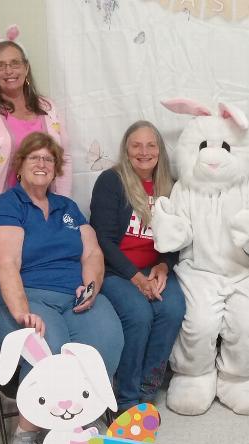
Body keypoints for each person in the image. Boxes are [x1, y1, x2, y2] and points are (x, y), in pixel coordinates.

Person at [0, 132, 123, 444]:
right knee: (49, 350)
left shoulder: (67, 207)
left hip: (72, 296)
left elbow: (92, 254)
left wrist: (90, 289)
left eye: (48, 159)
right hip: (23, 294)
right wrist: (22, 312)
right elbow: (4, 264)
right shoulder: (7, 204)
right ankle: (28, 429)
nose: (42, 164)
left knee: (106, 338)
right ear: (19, 164)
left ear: (56, 168)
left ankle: (87, 416)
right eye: (34, 157)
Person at [89, 121, 186, 414]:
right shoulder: (111, 181)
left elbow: (179, 237)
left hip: (154, 268)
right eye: (136, 145)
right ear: (126, 150)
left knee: (173, 309)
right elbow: (102, 239)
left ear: (160, 150)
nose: (144, 152)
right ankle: (126, 398)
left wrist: (163, 267)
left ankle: (147, 388)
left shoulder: (171, 186)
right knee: (139, 314)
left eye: (151, 145)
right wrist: (136, 278)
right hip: (118, 271)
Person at [0, 39, 72, 246]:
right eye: (1, 65)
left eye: (15, 63)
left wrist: (62, 205)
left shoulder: (48, 107)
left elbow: (64, 159)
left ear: (26, 67)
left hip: (42, 211)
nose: (8, 70)